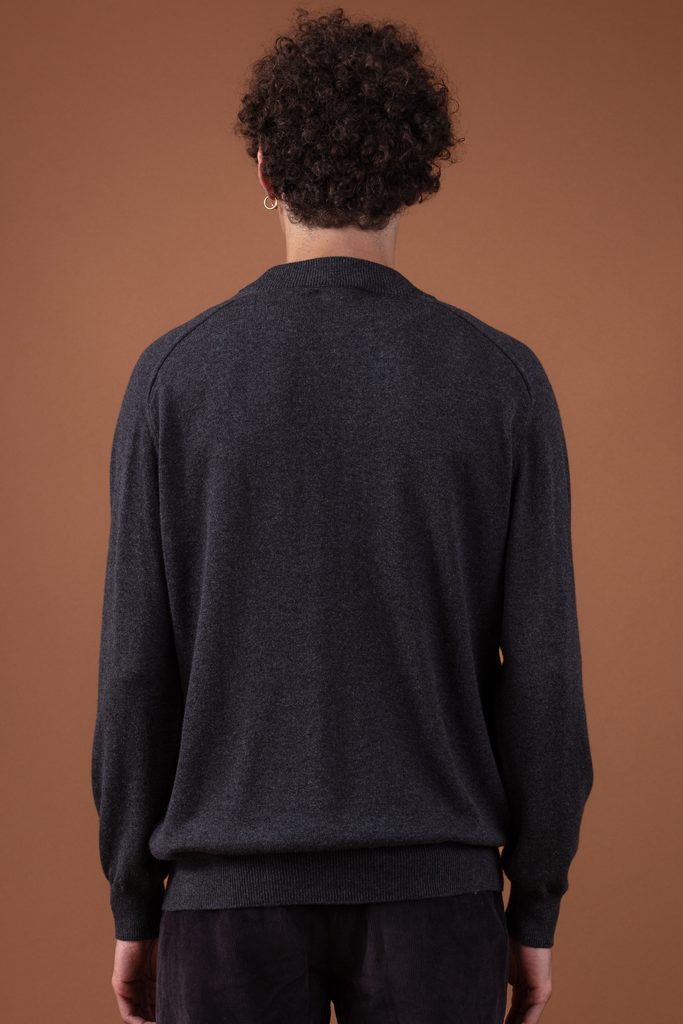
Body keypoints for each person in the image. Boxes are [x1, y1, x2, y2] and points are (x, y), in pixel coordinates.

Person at [90, 8, 594, 1024]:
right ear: (417, 173)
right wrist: (533, 906)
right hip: (436, 899)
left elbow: (137, 669)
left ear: (265, 168)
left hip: (225, 905)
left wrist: (134, 901)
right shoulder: (502, 382)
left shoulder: (174, 378)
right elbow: (542, 678)